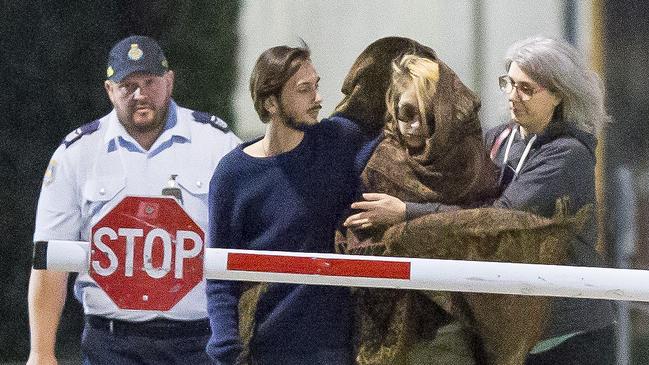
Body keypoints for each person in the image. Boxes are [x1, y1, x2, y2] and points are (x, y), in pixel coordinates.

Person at [345, 36, 615, 364]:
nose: (513, 96)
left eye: (527, 88)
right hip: (511, 328)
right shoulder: (497, 137)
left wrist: (406, 213)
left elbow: (498, 218)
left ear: (558, 94)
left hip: (566, 334)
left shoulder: (567, 154)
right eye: (509, 83)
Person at [27, 35, 241, 365]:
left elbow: (249, 238)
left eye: (149, 82)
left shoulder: (217, 143)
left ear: (169, 82)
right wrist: (41, 352)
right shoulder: (78, 153)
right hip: (110, 345)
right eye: (127, 85)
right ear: (110, 90)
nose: (140, 94)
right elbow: (49, 258)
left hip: (198, 343)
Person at [205, 44, 381, 364]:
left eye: (316, 85)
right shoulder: (232, 175)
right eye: (304, 90)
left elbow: (397, 139)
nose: (318, 98)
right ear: (271, 102)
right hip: (262, 349)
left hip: (333, 349)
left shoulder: (337, 140)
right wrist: (227, 350)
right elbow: (218, 276)